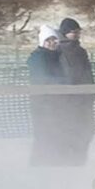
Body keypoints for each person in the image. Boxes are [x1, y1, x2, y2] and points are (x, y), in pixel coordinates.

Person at [27, 25, 68, 165]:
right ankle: (41, 164)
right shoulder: (39, 57)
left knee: (55, 134)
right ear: (42, 42)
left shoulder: (57, 57)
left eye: (54, 40)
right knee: (44, 135)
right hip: (43, 104)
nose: (52, 43)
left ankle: (53, 162)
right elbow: (42, 78)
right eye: (48, 40)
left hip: (55, 103)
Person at [57, 17, 95, 165]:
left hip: (83, 98)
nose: (77, 34)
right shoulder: (59, 51)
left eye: (78, 32)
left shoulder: (80, 51)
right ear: (65, 33)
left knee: (86, 130)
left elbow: (87, 71)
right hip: (69, 100)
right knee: (71, 130)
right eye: (73, 32)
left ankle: (79, 160)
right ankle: (70, 161)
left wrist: (91, 90)